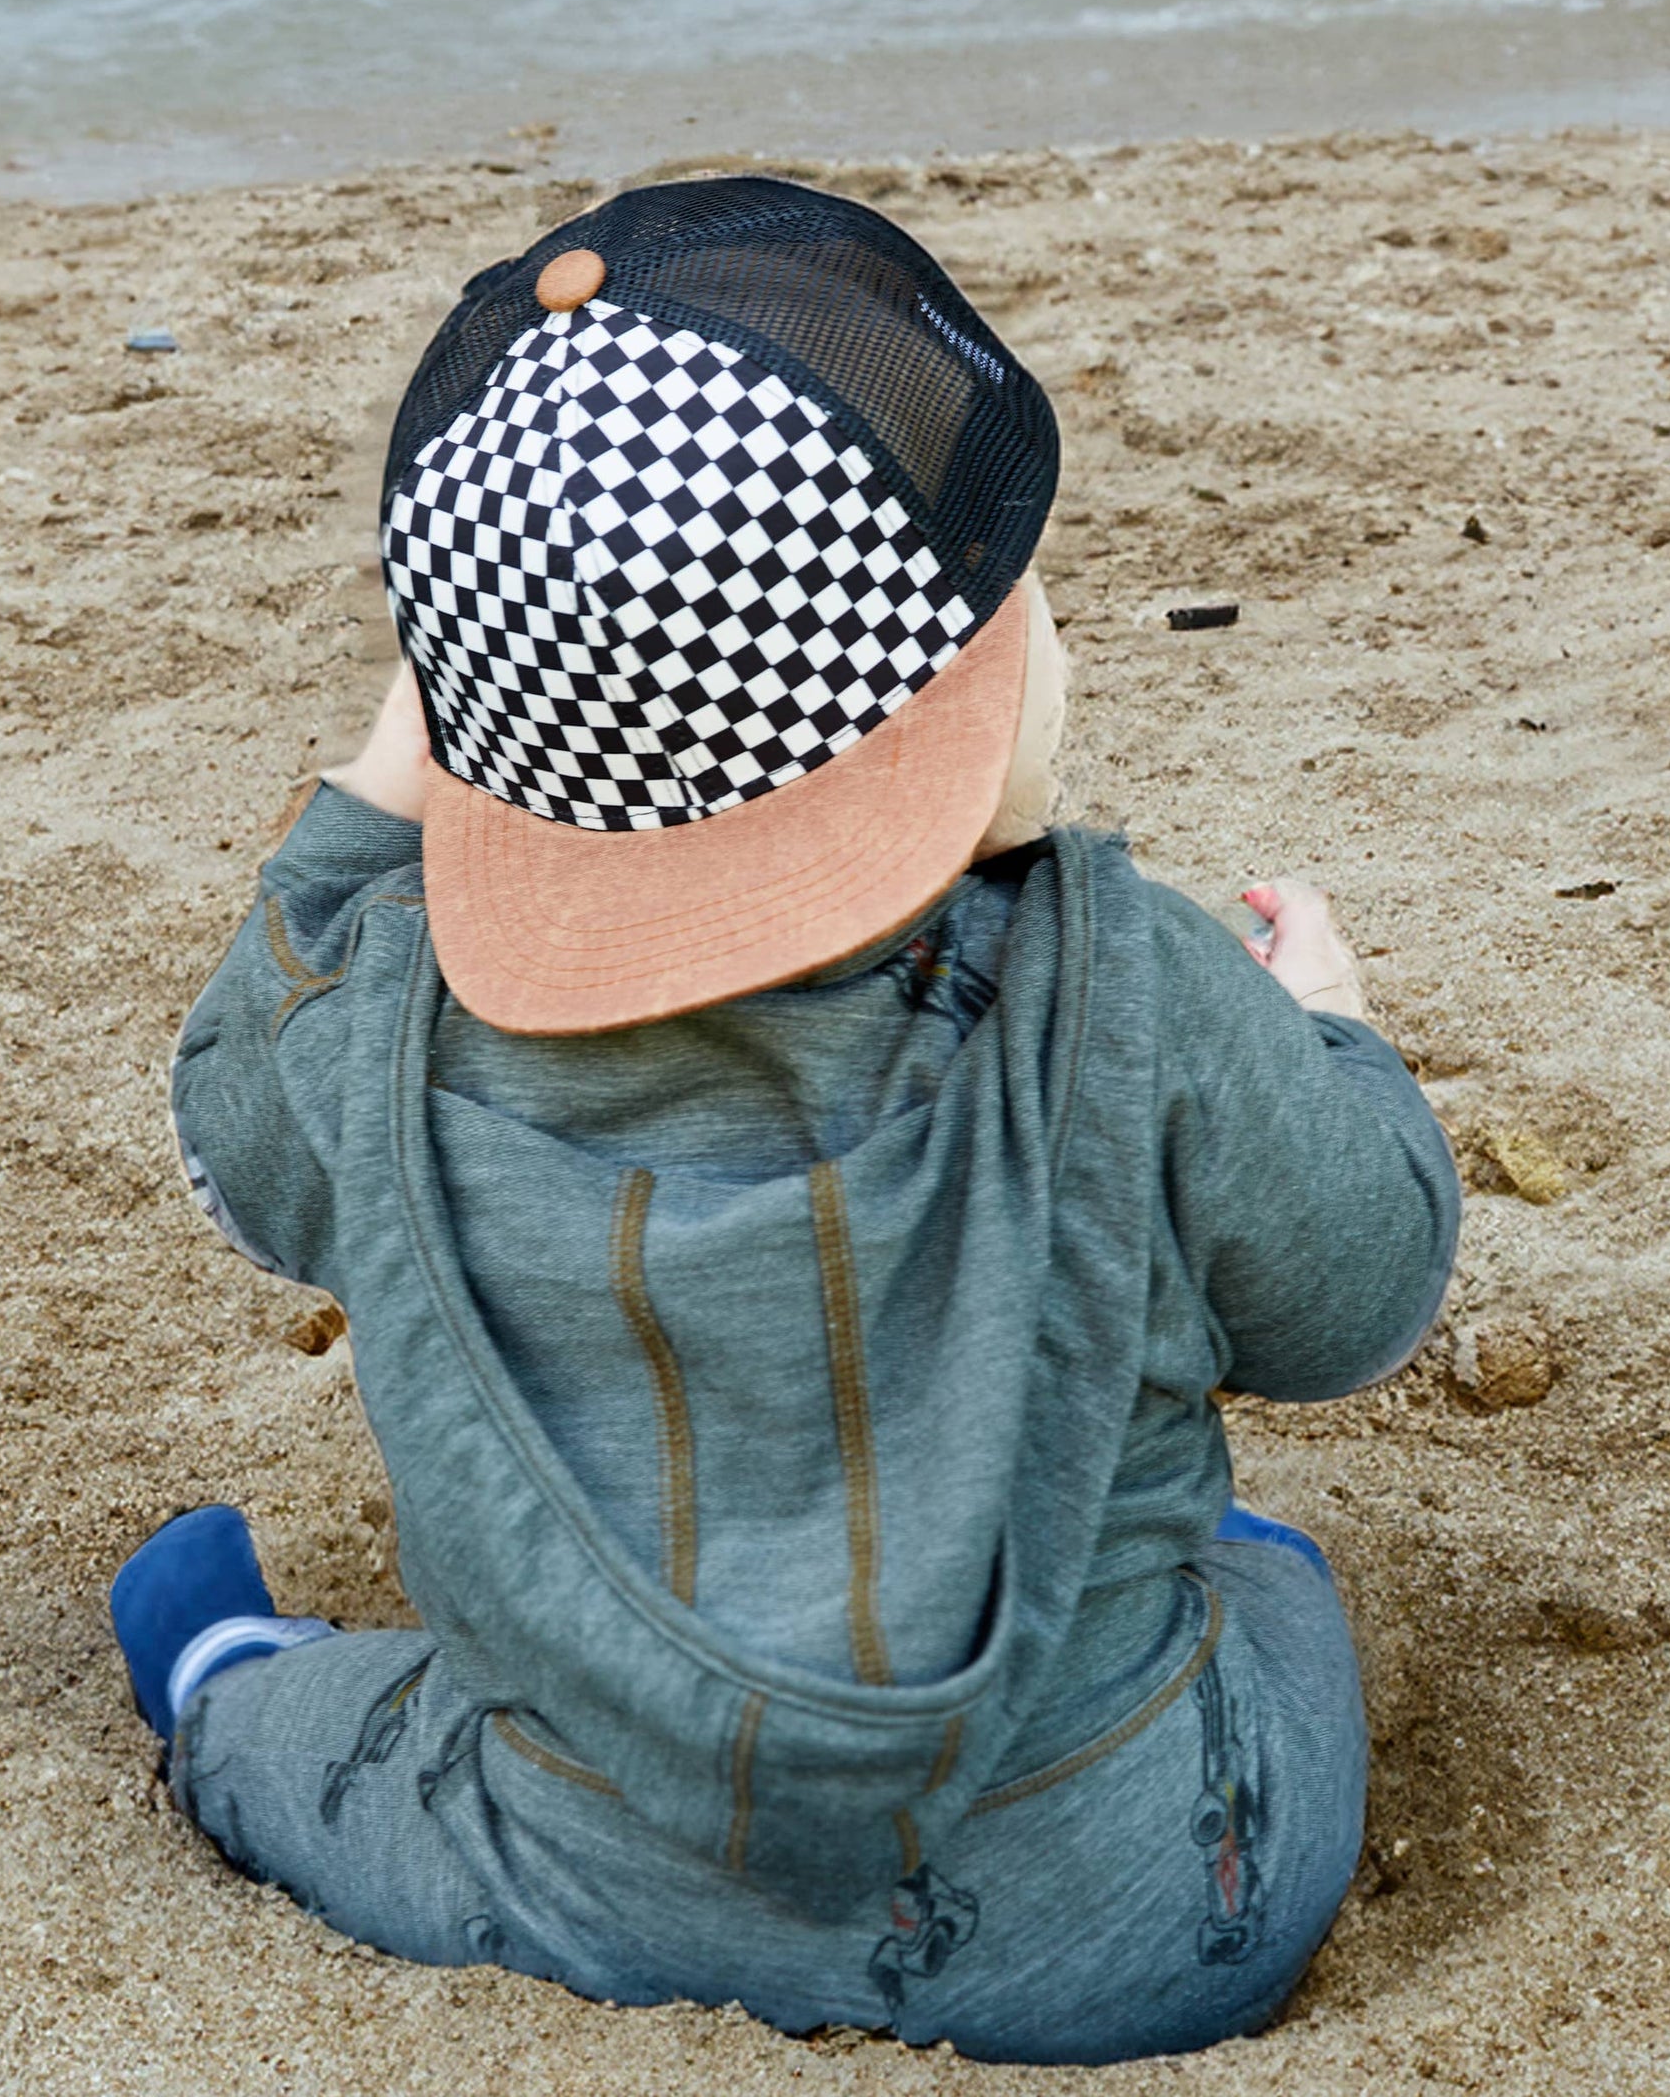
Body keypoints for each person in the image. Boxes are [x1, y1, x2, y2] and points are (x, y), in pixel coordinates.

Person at [115, 177, 1457, 2064]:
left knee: (287, 1728)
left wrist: (389, 780)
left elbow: (230, 1135)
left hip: (572, 1882)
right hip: (1160, 1912)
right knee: (1267, 1596)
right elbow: (1361, 1294)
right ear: (960, 719)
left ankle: (231, 1688)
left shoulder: (380, 1031)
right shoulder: (1138, 995)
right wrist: (1330, 1035)